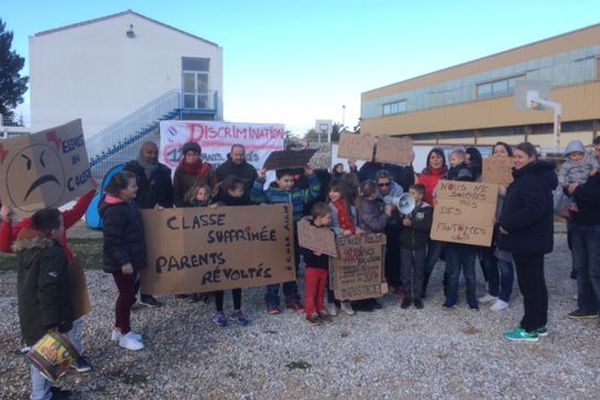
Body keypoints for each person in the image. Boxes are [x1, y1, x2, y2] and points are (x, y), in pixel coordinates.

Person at [1, 188, 97, 373]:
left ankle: (74, 355)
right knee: (51, 319)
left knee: (74, 316)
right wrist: (6, 220)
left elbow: (76, 213)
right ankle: (53, 358)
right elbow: (6, 246)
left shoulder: (55, 217)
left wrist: (89, 191)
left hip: (65, 271)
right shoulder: (29, 225)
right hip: (49, 277)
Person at [500, 143, 557, 342]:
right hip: (531, 240)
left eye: (521, 156)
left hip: (528, 240)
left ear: (532, 157)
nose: (516, 159)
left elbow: (533, 210)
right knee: (536, 282)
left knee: (529, 284)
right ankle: (540, 323)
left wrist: (507, 224)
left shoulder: (532, 179)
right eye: (515, 156)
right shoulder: (530, 176)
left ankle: (529, 327)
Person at [15, 209, 74, 400]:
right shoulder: (52, 253)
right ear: (52, 230)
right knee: (44, 354)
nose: (64, 228)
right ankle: (39, 395)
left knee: (45, 354)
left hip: (31, 311)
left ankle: (46, 391)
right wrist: (52, 324)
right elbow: (47, 290)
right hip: (43, 316)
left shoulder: (29, 248)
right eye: (61, 224)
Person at [251, 166, 320, 314]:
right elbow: (255, 198)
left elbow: (314, 191)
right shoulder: (270, 194)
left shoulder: (298, 193)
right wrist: (260, 179)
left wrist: (311, 175)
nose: (289, 184)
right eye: (285, 181)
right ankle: (271, 301)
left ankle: (291, 299)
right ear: (277, 180)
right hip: (277, 237)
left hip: (294, 236)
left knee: (292, 268)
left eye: (291, 181)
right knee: (276, 268)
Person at [124, 141, 173, 308]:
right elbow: (122, 194)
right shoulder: (129, 169)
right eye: (149, 152)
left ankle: (147, 294)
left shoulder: (164, 171)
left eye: (155, 152)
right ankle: (129, 297)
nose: (152, 155)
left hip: (155, 222)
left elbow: (169, 196)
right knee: (136, 260)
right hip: (134, 222)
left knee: (152, 259)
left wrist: (162, 204)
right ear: (141, 152)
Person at [100, 171, 146, 351]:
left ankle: (119, 329)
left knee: (128, 295)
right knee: (126, 297)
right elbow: (112, 240)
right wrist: (124, 261)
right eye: (133, 186)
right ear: (121, 190)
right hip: (122, 263)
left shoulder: (129, 204)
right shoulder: (115, 211)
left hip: (132, 260)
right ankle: (125, 335)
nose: (136, 189)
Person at [479, 142, 515, 311]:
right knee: (487, 260)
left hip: (504, 223)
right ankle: (493, 291)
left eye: (502, 151)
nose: (499, 154)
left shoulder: (515, 173)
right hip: (486, 222)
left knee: (504, 260)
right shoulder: (485, 174)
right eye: (496, 151)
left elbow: (519, 198)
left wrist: (504, 191)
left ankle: (504, 296)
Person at [210, 176, 250, 327]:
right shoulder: (218, 201)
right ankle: (219, 311)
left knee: (236, 280)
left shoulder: (244, 202)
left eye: (242, 190)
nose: (242, 193)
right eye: (239, 190)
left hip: (237, 248)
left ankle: (237, 310)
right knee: (220, 280)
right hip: (219, 250)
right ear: (230, 190)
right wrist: (211, 208)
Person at [567, 147, 600, 322]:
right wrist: (570, 188)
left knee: (595, 269)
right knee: (581, 268)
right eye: (596, 150)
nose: (597, 153)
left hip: (596, 226)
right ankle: (587, 306)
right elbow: (566, 186)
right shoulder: (587, 167)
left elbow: (595, 195)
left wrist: (577, 188)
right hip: (579, 223)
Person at [443, 148, 478, 310]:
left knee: (469, 272)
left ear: (462, 159)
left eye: (454, 159)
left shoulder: (466, 171)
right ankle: (452, 298)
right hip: (453, 232)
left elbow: (464, 187)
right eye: (451, 160)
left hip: (468, 232)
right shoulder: (449, 173)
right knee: (453, 272)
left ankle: (472, 299)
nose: (451, 162)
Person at [355, 180, 393, 312]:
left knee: (373, 270)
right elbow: (376, 225)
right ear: (372, 192)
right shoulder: (366, 205)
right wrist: (387, 213)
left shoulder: (371, 202)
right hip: (369, 242)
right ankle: (363, 302)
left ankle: (371, 299)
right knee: (367, 272)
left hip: (373, 242)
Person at [327, 179, 361, 316]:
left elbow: (355, 222)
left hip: (349, 244)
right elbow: (328, 226)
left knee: (348, 271)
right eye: (330, 191)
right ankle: (331, 301)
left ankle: (345, 300)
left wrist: (357, 230)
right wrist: (341, 232)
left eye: (335, 191)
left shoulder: (351, 207)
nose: (332, 194)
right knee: (332, 274)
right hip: (334, 244)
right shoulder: (329, 207)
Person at [417, 148, 447, 297]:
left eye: (438, 157)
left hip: (441, 221)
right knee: (421, 254)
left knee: (433, 255)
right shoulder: (422, 177)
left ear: (443, 159)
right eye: (432, 157)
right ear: (428, 160)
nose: (435, 160)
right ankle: (419, 286)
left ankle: (425, 282)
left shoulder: (449, 176)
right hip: (424, 221)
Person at [399, 184, 432, 309]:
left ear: (420, 195)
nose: (409, 195)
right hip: (406, 245)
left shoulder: (427, 209)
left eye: (413, 193)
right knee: (405, 271)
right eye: (409, 192)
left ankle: (417, 296)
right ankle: (407, 296)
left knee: (419, 271)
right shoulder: (403, 206)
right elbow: (398, 221)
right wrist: (401, 220)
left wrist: (412, 224)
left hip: (420, 245)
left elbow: (426, 226)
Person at [302, 202, 334, 324]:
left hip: (323, 267)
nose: (331, 220)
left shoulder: (328, 231)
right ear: (319, 217)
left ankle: (320, 309)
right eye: (328, 217)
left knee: (321, 291)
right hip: (312, 267)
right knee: (312, 291)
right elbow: (304, 248)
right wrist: (312, 252)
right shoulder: (308, 231)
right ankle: (311, 312)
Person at [375, 170, 404, 297]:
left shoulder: (398, 189)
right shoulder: (372, 188)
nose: (384, 187)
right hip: (378, 224)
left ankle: (396, 283)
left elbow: (403, 205)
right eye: (381, 185)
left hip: (393, 224)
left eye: (387, 184)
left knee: (395, 254)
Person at [556, 140, 599, 215]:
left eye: (579, 155)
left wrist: (595, 169)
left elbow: (593, 194)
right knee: (569, 199)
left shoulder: (589, 160)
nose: (577, 157)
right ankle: (569, 207)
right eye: (596, 149)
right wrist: (565, 184)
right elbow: (562, 174)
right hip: (577, 219)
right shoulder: (567, 164)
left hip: (593, 218)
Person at [173, 142, 217, 207]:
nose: (192, 157)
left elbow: (214, 187)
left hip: (206, 207)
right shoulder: (180, 170)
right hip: (186, 207)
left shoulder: (206, 169)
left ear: (199, 156)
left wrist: (211, 202)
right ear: (185, 156)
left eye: (195, 155)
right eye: (189, 155)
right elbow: (176, 191)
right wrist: (180, 207)